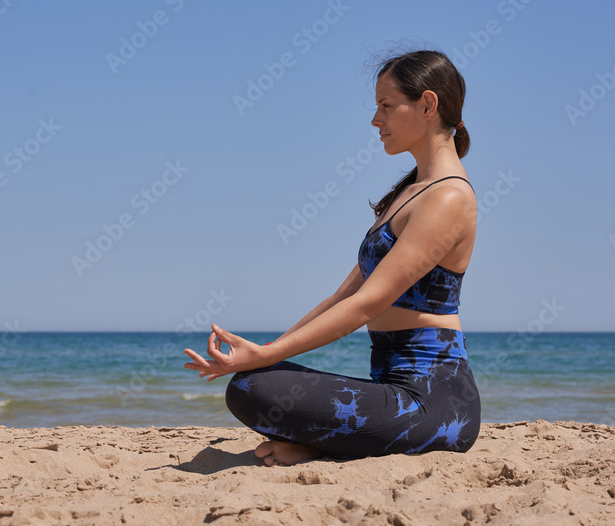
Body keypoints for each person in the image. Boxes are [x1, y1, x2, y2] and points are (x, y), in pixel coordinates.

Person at [183, 48, 481, 466]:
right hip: (393, 387)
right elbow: (344, 295)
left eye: (386, 105)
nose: (375, 120)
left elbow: (368, 304)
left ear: (428, 105)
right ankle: (328, 444)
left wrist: (268, 357)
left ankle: (322, 445)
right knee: (250, 383)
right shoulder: (411, 192)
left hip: (435, 401)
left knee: (255, 389)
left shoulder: (448, 197)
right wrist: (266, 350)